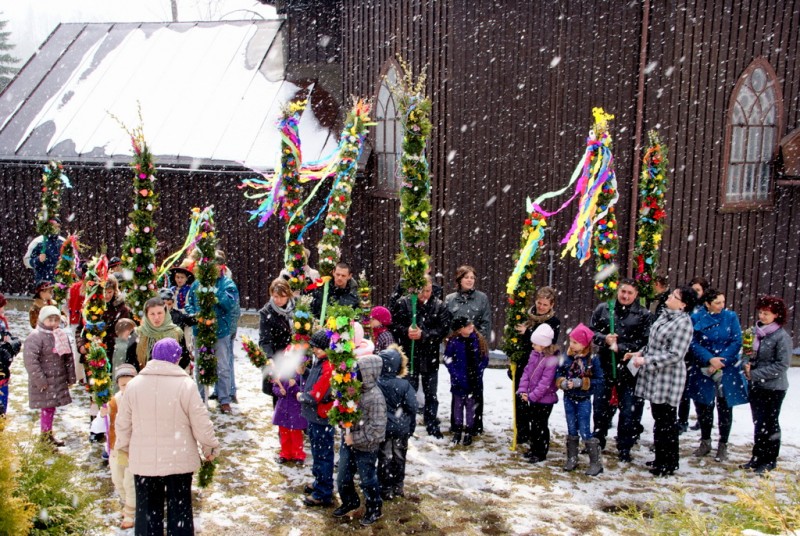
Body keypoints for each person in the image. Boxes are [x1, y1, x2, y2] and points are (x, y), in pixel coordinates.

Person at [115, 338, 219, 535]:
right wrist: (210, 446)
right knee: (180, 511)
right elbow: (201, 421)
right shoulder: (186, 385)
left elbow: (123, 423)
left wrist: (125, 447)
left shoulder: (134, 385)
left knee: (147, 513)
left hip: (145, 462)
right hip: (178, 460)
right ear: (177, 359)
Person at [628, 285, 699, 476]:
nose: (669, 297)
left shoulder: (683, 323)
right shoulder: (665, 315)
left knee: (666, 420)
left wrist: (647, 360)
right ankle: (661, 457)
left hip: (668, 378)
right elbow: (653, 344)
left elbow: (675, 354)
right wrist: (639, 353)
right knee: (659, 417)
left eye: (675, 296)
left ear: (683, 305)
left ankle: (668, 462)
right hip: (654, 376)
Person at [590, 278, 651, 460]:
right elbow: (592, 332)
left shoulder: (643, 314)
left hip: (629, 367)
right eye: (623, 291)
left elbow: (645, 341)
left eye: (630, 293)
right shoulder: (604, 309)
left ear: (636, 294)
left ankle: (624, 446)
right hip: (605, 364)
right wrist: (604, 339)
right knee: (600, 406)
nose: (625, 296)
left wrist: (622, 348)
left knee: (628, 409)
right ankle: (598, 441)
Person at [687, 290, 747, 462]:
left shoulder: (730, 317)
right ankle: (705, 441)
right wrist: (709, 359)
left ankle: (723, 444)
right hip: (704, 367)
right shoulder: (697, 318)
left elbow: (736, 340)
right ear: (707, 304)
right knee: (704, 406)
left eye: (722, 302)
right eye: (717, 303)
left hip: (725, 368)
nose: (721, 306)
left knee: (725, 406)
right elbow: (693, 342)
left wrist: (721, 360)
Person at [390, 275, 452, 438]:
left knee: (431, 392)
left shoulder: (439, 305)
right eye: (422, 291)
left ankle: (431, 422)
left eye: (428, 291)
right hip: (409, 355)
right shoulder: (403, 303)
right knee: (409, 392)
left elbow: (443, 329)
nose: (425, 294)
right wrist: (406, 332)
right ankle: (407, 424)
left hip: (429, 355)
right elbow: (394, 325)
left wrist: (424, 335)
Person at [333, 354, 386, 527]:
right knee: (343, 477)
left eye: (359, 373)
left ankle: (374, 508)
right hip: (349, 444)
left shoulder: (376, 398)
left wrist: (354, 438)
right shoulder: (354, 390)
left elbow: (377, 430)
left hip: (366, 447)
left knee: (367, 480)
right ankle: (350, 501)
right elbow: (347, 412)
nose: (355, 375)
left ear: (368, 374)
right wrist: (342, 421)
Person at [740, 296, 792, 474]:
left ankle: (770, 459)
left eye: (766, 313)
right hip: (757, 386)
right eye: (761, 312)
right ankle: (757, 456)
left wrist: (755, 374)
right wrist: (746, 364)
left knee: (770, 422)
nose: (762, 316)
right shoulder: (754, 333)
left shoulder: (781, 337)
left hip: (774, 387)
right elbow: (747, 353)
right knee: (758, 421)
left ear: (776, 315)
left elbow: (782, 365)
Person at [185, 259, 240, 413]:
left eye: (215, 265)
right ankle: (201, 398)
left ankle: (224, 399)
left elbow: (230, 304)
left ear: (221, 267)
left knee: (222, 366)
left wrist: (214, 293)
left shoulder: (227, 284)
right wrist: (194, 314)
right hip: (200, 331)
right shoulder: (197, 284)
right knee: (201, 366)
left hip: (220, 331)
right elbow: (190, 303)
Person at [445, 265, 492, 434]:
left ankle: (475, 425)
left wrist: (479, 342)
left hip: (475, 347)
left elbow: (486, 322)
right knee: (457, 386)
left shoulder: (482, 298)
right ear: (459, 280)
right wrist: (452, 340)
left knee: (476, 386)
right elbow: (447, 323)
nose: (470, 280)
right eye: (466, 277)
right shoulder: (450, 299)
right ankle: (456, 423)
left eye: (472, 277)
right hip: (458, 348)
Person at [511, 286, 560, 446]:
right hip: (525, 364)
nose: (541, 307)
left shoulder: (553, 322)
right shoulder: (528, 316)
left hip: (540, 366)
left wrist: (528, 333)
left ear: (551, 305)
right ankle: (522, 432)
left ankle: (536, 438)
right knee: (521, 398)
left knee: (535, 405)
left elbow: (547, 344)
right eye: (539, 303)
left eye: (545, 304)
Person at [23, 305, 76, 446]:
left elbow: (68, 358)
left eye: (56, 320)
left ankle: (47, 434)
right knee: (47, 408)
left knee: (51, 407)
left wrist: (70, 377)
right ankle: (45, 436)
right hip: (45, 381)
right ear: (42, 319)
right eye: (49, 320)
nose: (53, 323)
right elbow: (30, 361)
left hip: (57, 379)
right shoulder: (36, 337)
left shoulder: (60, 335)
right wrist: (40, 380)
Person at [556, 323, 604, 475]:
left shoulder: (592, 360)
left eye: (575, 342)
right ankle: (572, 457)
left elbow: (599, 381)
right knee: (571, 427)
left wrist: (582, 383)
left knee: (584, 429)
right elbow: (558, 373)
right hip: (569, 398)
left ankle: (595, 462)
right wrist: (562, 382)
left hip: (583, 400)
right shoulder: (567, 358)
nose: (572, 345)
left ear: (584, 344)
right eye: (571, 341)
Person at [298, 330, 335, 507]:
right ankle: (319, 481)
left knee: (323, 455)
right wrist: (306, 372)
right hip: (315, 417)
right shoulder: (321, 362)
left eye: (319, 348)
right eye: (314, 348)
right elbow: (315, 380)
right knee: (317, 451)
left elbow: (316, 394)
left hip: (321, 417)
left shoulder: (328, 367)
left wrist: (302, 397)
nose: (315, 350)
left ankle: (323, 491)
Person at [376, 345, 416, 501]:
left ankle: (385, 487)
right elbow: (412, 406)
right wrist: (410, 425)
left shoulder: (376, 383)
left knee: (384, 457)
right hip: (400, 427)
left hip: (383, 427)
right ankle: (398, 485)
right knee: (399, 456)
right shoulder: (404, 385)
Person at [517, 323, 560, 463]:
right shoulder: (534, 354)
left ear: (543, 344)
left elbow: (545, 382)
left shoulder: (551, 359)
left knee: (540, 425)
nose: (532, 346)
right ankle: (534, 448)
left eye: (535, 344)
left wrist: (532, 396)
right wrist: (523, 390)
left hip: (545, 399)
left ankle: (541, 451)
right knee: (534, 424)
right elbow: (527, 372)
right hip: (533, 398)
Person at [443, 317, 489, 445]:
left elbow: (484, 358)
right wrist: (455, 374)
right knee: (458, 406)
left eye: (471, 324)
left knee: (471, 407)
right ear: (460, 330)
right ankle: (457, 430)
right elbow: (447, 358)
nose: (471, 327)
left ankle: (469, 431)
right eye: (467, 325)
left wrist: (479, 371)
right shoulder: (454, 342)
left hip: (474, 381)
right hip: (458, 381)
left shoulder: (478, 340)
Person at [108, 363, 137, 530]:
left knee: (129, 481)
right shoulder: (115, 400)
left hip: (133, 447)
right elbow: (107, 423)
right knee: (117, 478)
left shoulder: (139, 401)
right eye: (122, 385)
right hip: (117, 446)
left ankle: (131, 513)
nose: (126, 388)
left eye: (129, 384)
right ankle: (127, 504)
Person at [125, 297, 186, 372]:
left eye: (159, 313)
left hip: (170, 376)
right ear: (147, 315)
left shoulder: (176, 332)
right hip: (144, 376)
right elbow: (129, 360)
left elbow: (184, 358)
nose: (156, 317)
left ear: (165, 313)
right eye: (152, 314)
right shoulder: (137, 333)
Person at [259, 278, 295, 398]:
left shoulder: (297, 308)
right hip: (278, 357)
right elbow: (265, 340)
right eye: (275, 296)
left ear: (288, 295)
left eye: (282, 296)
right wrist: (269, 358)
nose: (278, 300)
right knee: (279, 394)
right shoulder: (266, 312)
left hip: (296, 357)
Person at [272, 361, 307, 464]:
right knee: (284, 433)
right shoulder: (283, 373)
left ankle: (298, 454)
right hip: (283, 408)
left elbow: (303, 391)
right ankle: (285, 453)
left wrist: (295, 386)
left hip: (295, 410)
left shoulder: (301, 376)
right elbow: (275, 387)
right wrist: (280, 392)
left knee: (296, 434)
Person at [158, 288, 195, 371]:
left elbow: (191, 320)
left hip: (179, 355)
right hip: (161, 355)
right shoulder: (154, 317)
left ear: (173, 303)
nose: (166, 306)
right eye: (163, 304)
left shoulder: (178, 315)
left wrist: (202, 317)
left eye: (169, 304)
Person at [23, 217, 65, 283]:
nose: (57, 228)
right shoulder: (38, 242)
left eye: (58, 226)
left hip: (61, 283)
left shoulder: (63, 242)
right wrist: (38, 260)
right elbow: (26, 261)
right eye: (54, 226)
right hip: (44, 282)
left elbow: (72, 260)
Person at [0, 293, 22, 417]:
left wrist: (13, 343)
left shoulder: (2, 322)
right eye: (2, 306)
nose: (3, 309)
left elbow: (9, 339)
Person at [169, 264, 196, 356]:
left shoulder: (189, 290)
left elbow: (190, 305)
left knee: (186, 338)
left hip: (185, 318)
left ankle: (187, 354)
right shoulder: (171, 290)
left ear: (186, 279)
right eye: (177, 277)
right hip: (173, 318)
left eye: (182, 277)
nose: (179, 280)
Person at [112, 318, 136, 394]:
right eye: (132, 332)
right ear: (127, 332)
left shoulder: (120, 345)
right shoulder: (123, 347)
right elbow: (119, 369)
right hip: (121, 387)